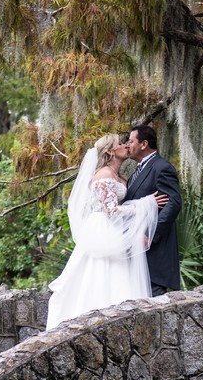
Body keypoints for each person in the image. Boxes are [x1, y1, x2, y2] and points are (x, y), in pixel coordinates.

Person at [46, 134, 169, 329]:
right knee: (102, 274)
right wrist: (147, 203)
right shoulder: (103, 175)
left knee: (118, 274)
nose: (125, 145)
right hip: (103, 230)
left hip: (114, 229)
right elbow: (112, 211)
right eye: (120, 143)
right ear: (111, 151)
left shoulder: (118, 176)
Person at [123, 125, 182, 296]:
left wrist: (150, 235)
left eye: (131, 141)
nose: (127, 145)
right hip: (135, 254)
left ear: (144, 144)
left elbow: (173, 203)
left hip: (153, 255)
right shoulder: (135, 173)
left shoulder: (162, 167)